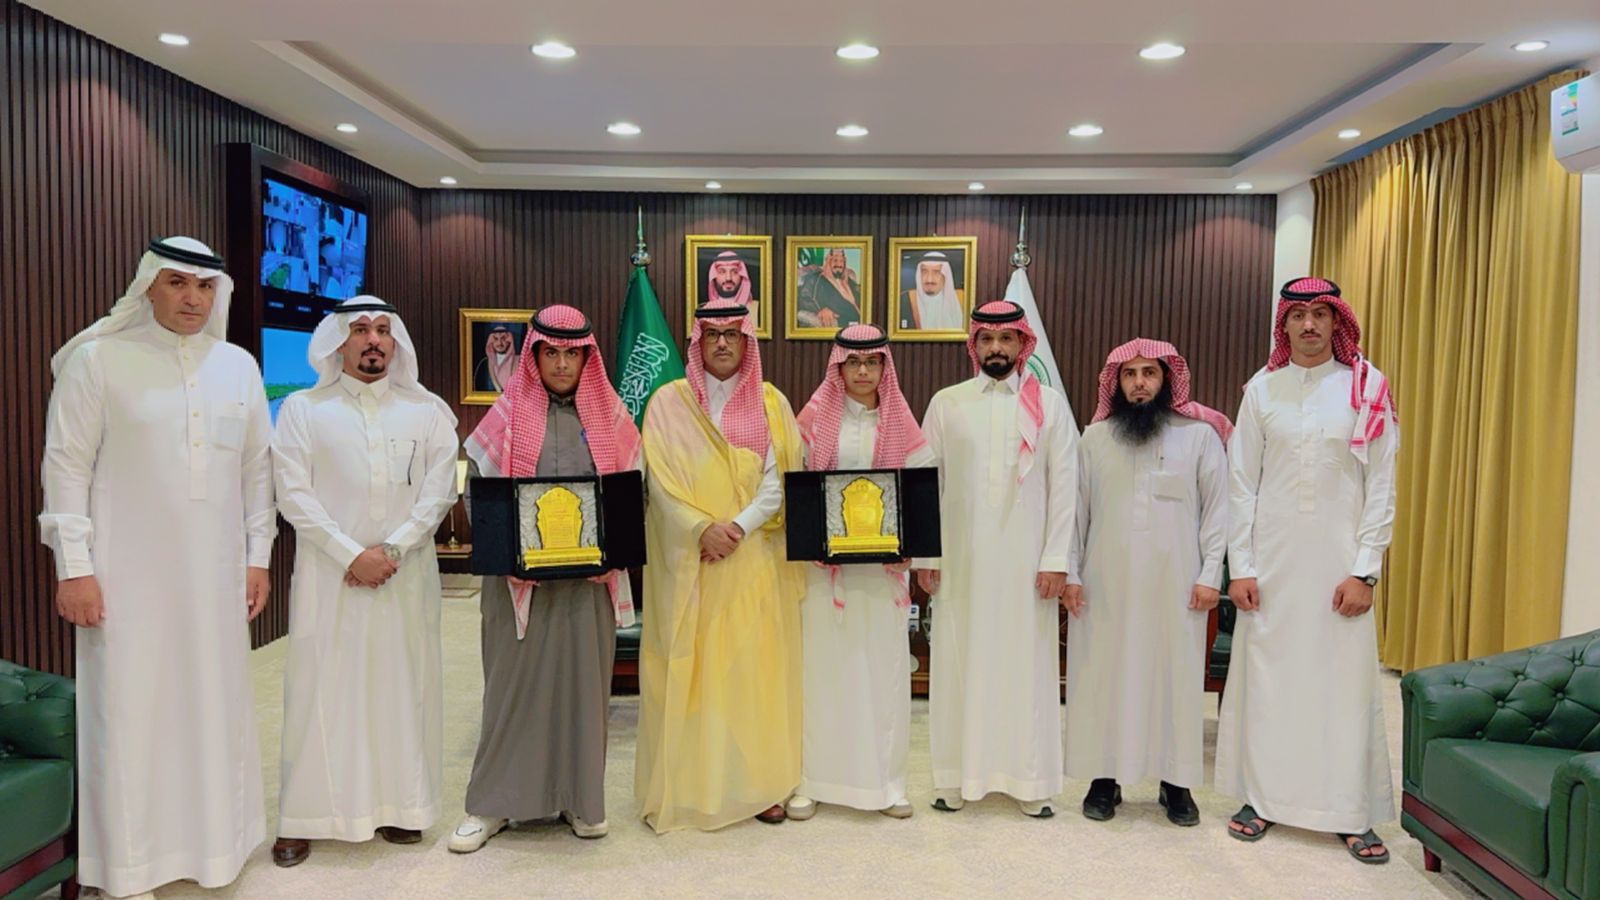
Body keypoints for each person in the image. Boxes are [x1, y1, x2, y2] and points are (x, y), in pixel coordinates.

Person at [40, 237, 277, 898]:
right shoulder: (98, 361)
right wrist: (74, 567)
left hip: (216, 577)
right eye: (177, 283)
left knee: (214, 705)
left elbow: (258, 473)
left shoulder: (237, 366)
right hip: (123, 576)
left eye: (204, 286)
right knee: (130, 712)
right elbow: (65, 466)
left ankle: (216, 848)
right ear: (148, 286)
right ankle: (128, 868)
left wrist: (257, 559)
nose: (192, 299)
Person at [1215, 277, 1400, 864]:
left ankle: (1349, 812)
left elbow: (1382, 486)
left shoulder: (1366, 389)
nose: (1310, 325)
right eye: (1298, 315)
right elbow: (1240, 485)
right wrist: (1241, 567)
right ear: (1285, 325)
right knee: (1269, 684)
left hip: (1339, 566)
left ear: (1337, 322)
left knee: (1342, 688)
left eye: (1321, 314)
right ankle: (1262, 799)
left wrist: (1365, 571)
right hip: (1270, 568)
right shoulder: (1261, 391)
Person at [270, 296, 458, 866]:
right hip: (329, 576)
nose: (372, 340)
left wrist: (391, 551)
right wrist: (351, 555)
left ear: (395, 342)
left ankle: (401, 806)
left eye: (382, 330)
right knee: (320, 688)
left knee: (402, 685)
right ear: (338, 341)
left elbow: (439, 492)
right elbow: (293, 494)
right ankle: (304, 816)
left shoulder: (427, 411)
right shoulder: (304, 409)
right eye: (359, 330)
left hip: (405, 574)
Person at [452, 305, 642, 851]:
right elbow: (477, 492)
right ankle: (493, 804)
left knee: (583, 692)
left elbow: (634, 492)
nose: (561, 364)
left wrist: (611, 550)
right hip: (520, 585)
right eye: (551, 353)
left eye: (572, 354)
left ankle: (579, 799)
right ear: (534, 355)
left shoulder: (611, 417)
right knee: (511, 690)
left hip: (589, 584)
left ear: (587, 359)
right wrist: (508, 550)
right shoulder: (506, 416)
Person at [635, 299, 805, 831]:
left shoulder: (772, 402)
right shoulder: (669, 403)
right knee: (693, 675)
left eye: (733, 334)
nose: (723, 343)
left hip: (751, 561)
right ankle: (690, 787)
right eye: (713, 334)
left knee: (750, 676)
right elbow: (659, 482)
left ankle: (759, 788)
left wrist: (735, 529)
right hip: (691, 562)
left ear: (747, 341)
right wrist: (699, 529)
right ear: (698, 342)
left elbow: (781, 482)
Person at [911, 300, 1077, 817]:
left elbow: (1065, 487)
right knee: (959, 662)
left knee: (1025, 667)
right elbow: (927, 484)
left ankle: (1029, 782)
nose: (996, 348)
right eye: (987, 339)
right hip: (962, 562)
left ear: (1023, 344)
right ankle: (954, 778)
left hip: (1028, 564)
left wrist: (1056, 558)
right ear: (975, 345)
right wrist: (927, 555)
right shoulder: (947, 403)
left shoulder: (1050, 406)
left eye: (1006, 339)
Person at [1063, 338, 1230, 826]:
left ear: (1167, 380)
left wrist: (1210, 576)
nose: (1139, 383)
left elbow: (1218, 512)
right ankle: (1104, 779)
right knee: (1103, 678)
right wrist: (1071, 574)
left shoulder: (1199, 438)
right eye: (1129, 374)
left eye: (1149, 373)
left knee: (1174, 680)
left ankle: (1176, 784)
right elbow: (1075, 514)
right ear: (1115, 382)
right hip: (1104, 586)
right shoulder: (1094, 439)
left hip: (1177, 587)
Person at [787, 324, 934, 821]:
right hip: (824, 574)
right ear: (839, 367)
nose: (863, 371)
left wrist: (911, 548)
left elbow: (921, 494)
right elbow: (797, 488)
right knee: (821, 675)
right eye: (853, 362)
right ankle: (812, 781)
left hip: (881, 577)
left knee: (882, 676)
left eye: (872, 362)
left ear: (884, 368)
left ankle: (886, 785)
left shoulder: (903, 426)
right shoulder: (811, 420)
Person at [795, 248, 862, 328]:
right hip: (842, 323)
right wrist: (821, 310)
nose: (839, 265)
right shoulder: (816, 279)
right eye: (835, 260)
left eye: (841, 261)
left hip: (858, 323)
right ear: (829, 261)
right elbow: (804, 298)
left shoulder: (849, 282)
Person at [899, 251, 965, 330]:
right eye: (924, 272)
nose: (929, 279)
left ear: (946, 275)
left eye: (936, 272)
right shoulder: (905, 300)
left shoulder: (962, 300)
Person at [704, 249, 759, 330]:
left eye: (734, 272)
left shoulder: (757, 309)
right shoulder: (705, 311)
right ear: (714, 276)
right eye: (722, 272)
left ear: (742, 276)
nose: (728, 278)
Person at [474, 324, 519, 392]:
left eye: (503, 339)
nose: (499, 343)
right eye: (496, 339)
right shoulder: (484, 363)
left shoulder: (518, 361)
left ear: (509, 342)